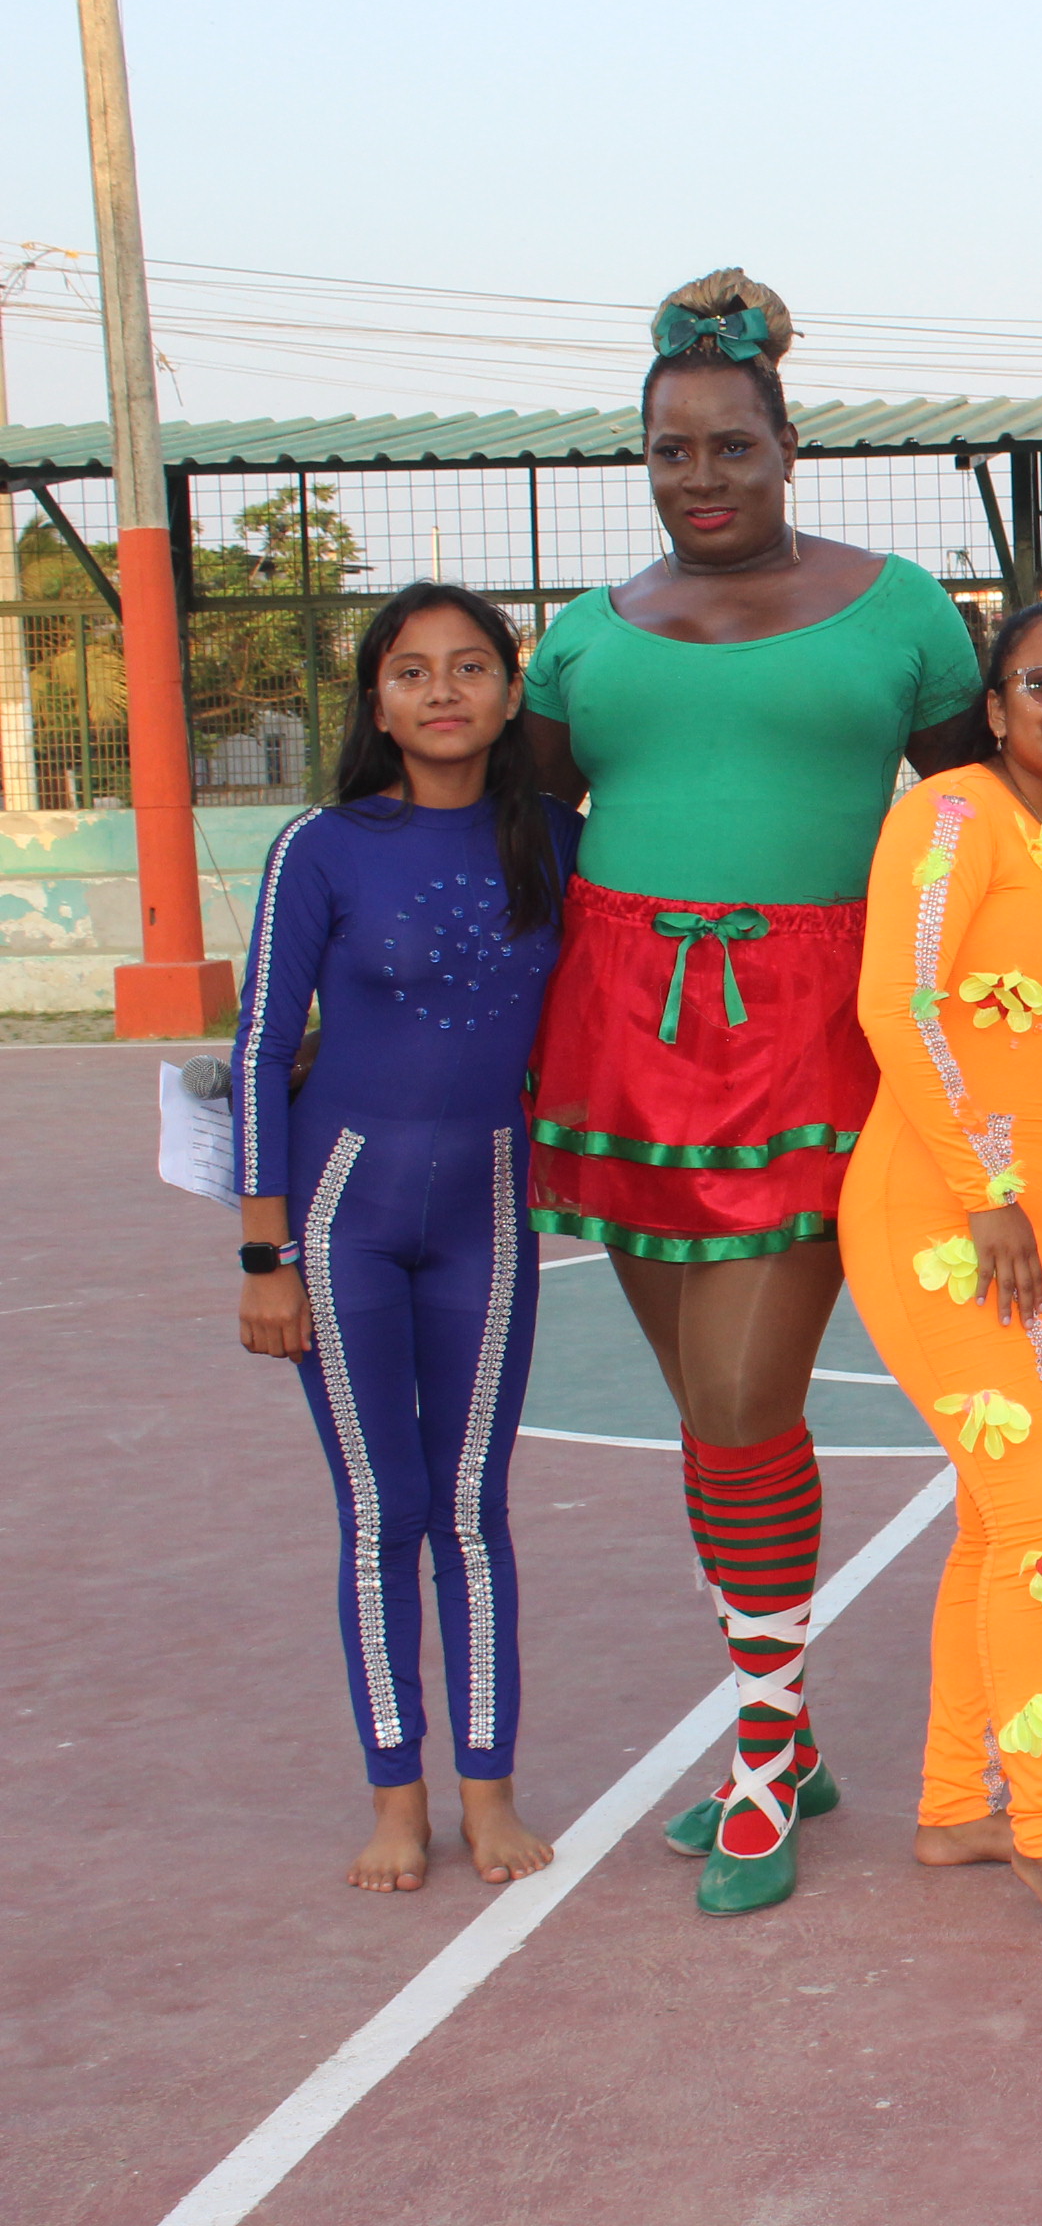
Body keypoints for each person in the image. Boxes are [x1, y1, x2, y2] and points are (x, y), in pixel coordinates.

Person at [518, 270, 987, 1914]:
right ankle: (789, 1717)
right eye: (671, 450)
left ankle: (769, 1746)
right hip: (621, 1044)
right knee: (713, 1416)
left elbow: (979, 830)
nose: (700, 475)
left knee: (739, 1405)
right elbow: (514, 843)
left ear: (789, 446)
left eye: (731, 444)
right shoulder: (584, 633)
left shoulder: (903, 610)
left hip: (820, 1039)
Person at [235, 584, 582, 1892]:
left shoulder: (559, 841)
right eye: (412, 670)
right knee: (384, 1509)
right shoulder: (322, 848)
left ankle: (489, 1792)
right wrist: (264, 1256)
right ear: (377, 702)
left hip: (488, 1212)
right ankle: (397, 1797)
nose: (443, 690)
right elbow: (261, 1047)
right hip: (343, 1221)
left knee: (473, 1509)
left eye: (471, 666)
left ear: (510, 693)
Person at [845, 598, 1042, 1935]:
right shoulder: (952, 816)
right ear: (994, 705)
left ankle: (950, 1805)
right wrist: (988, 1192)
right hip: (951, 1222)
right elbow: (899, 1005)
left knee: (1003, 1518)